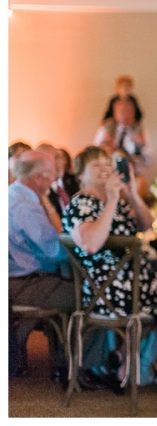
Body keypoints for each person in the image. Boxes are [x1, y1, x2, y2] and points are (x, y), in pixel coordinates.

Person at [62, 146, 157, 389]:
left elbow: (147, 226)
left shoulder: (111, 203)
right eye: (96, 166)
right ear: (80, 175)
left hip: (133, 281)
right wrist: (113, 200)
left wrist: (131, 194)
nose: (105, 170)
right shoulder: (82, 204)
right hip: (105, 289)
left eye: (108, 166)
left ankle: (134, 358)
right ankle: (148, 362)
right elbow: (90, 243)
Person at [8, 150, 72, 381]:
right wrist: (85, 248)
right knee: (87, 294)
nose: (53, 181)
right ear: (39, 177)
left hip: (18, 279)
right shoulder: (25, 205)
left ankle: (62, 361)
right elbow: (53, 251)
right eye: (52, 176)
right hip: (22, 284)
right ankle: (79, 366)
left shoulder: (13, 194)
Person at [93, 97, 151, 167]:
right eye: (121, 111)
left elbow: (149, 157)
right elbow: (95, 152)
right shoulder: (107, 127)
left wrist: (139, 160)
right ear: (114, 112)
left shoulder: (138, 129)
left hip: (133, 169)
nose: (125, 114)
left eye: (129, 110)